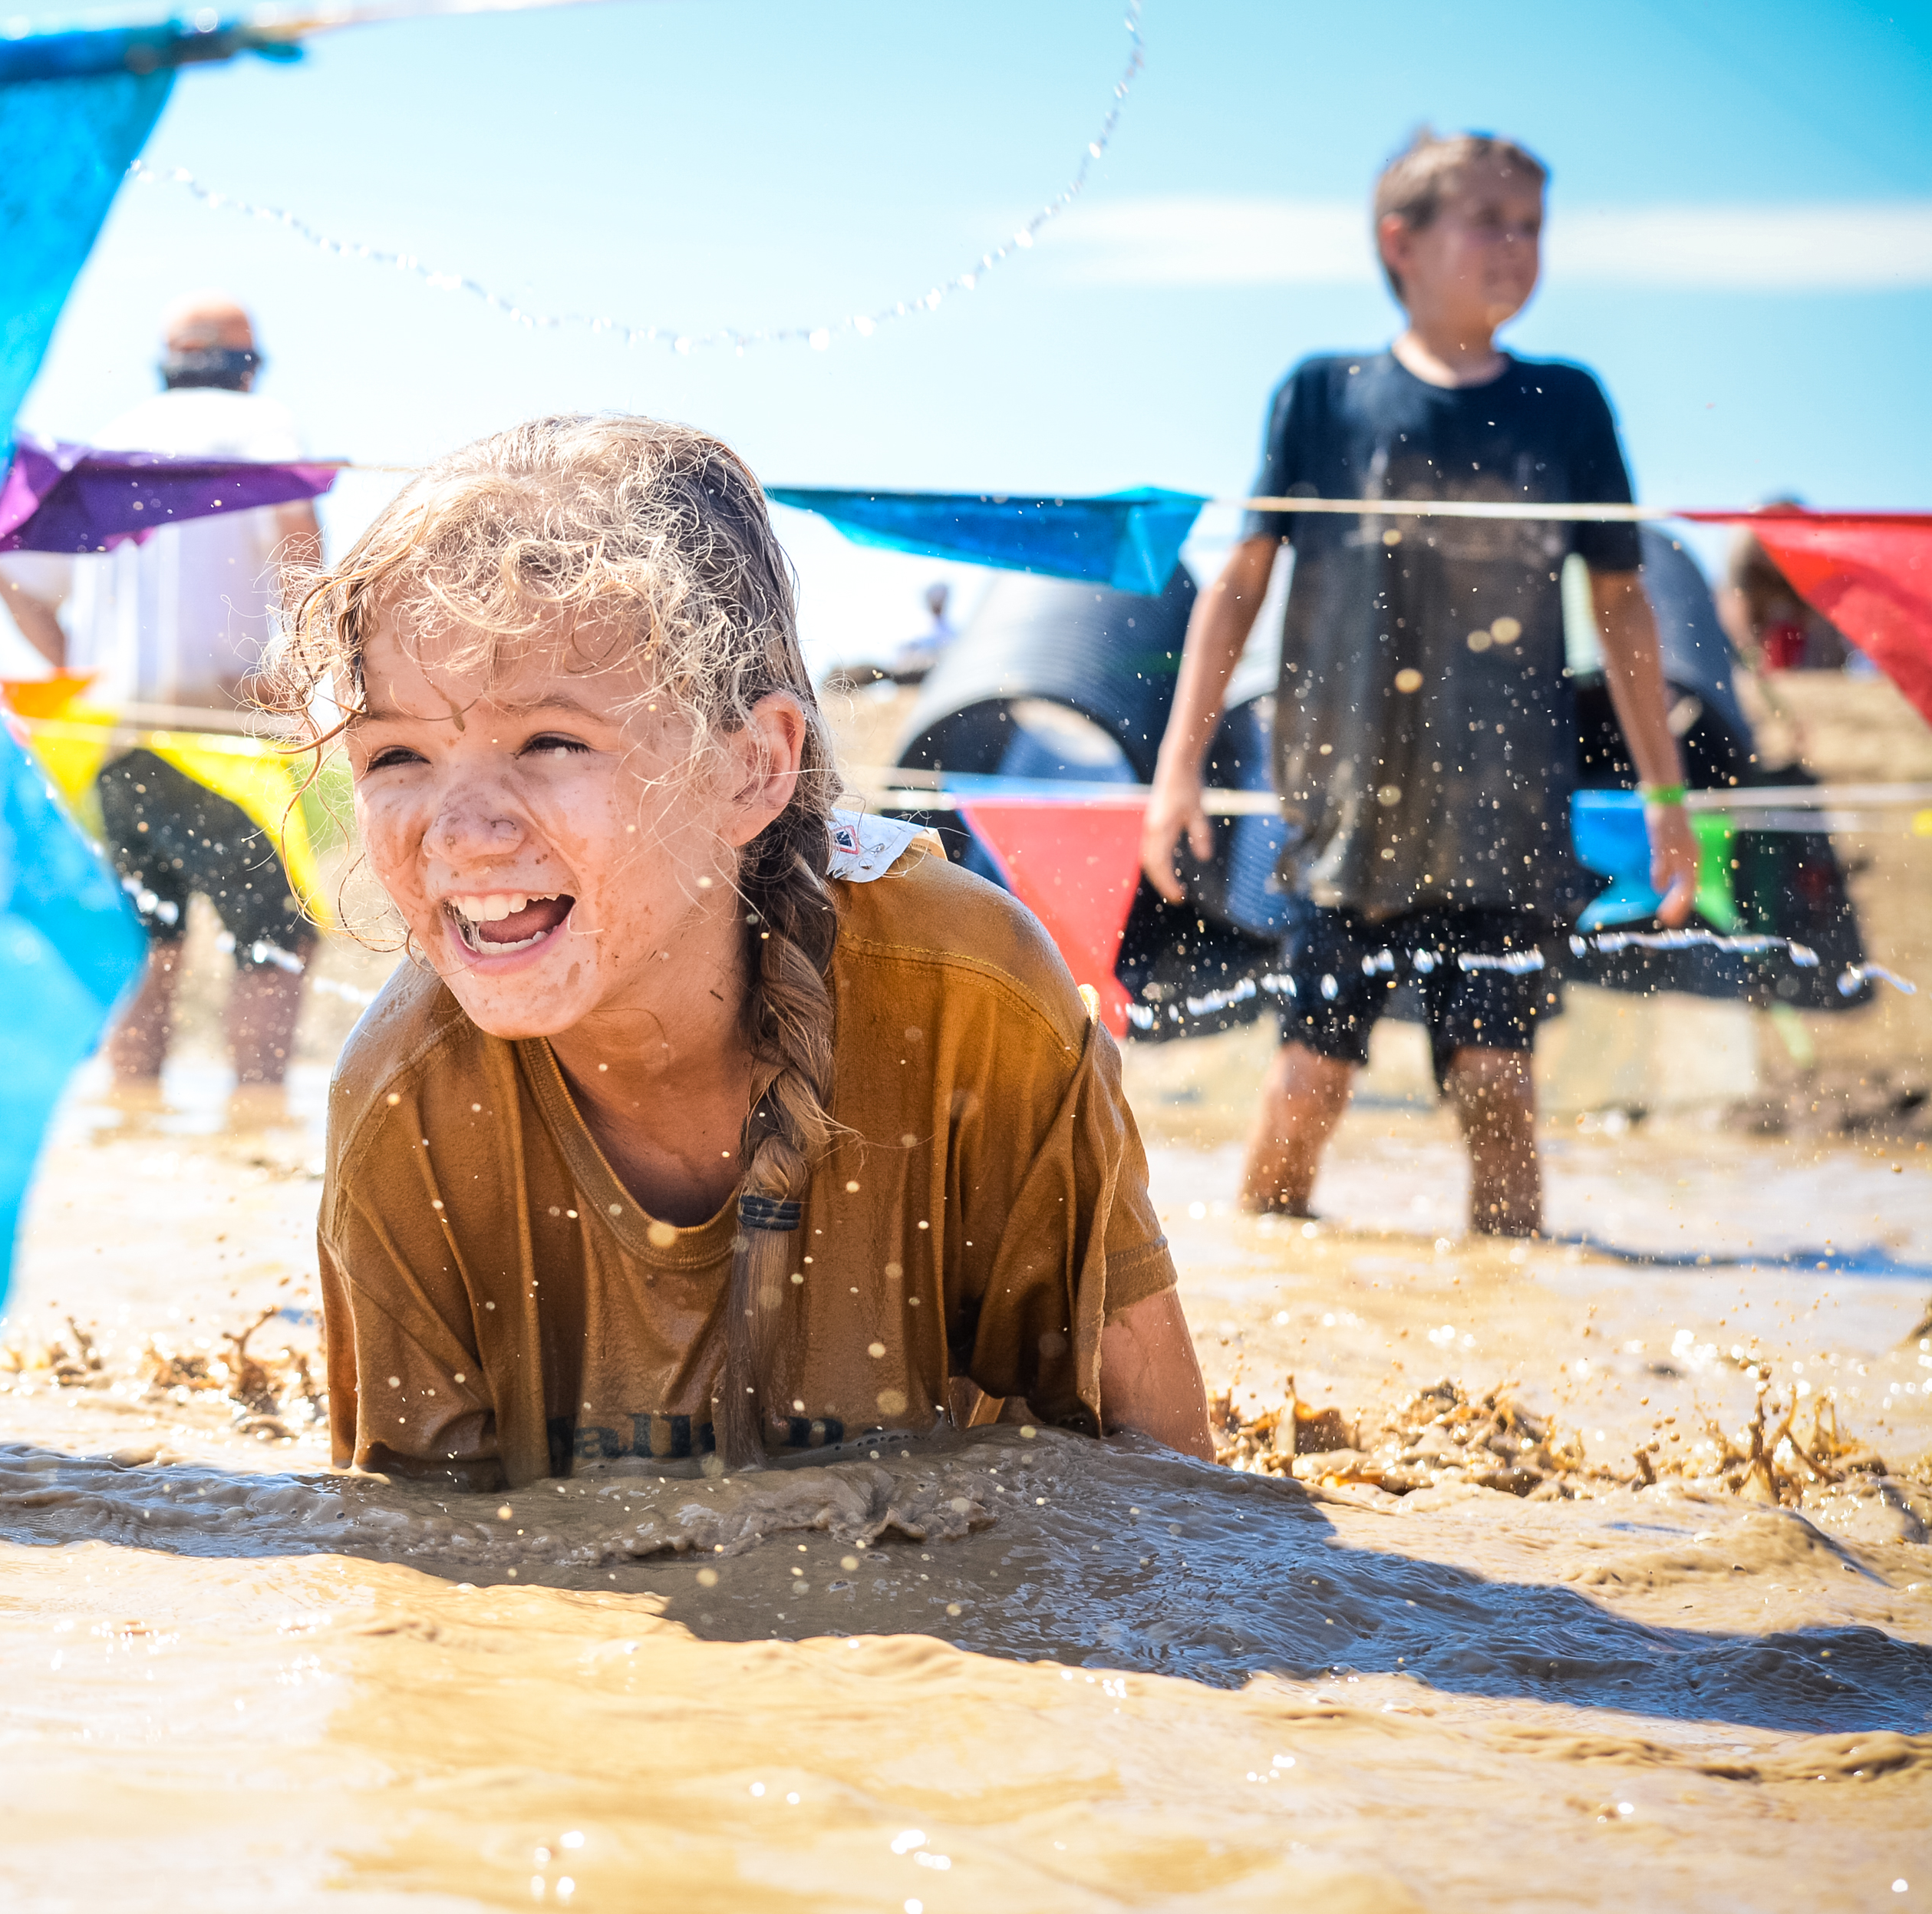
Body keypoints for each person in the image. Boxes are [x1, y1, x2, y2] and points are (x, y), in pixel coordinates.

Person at [263, 415, 1214, 1490]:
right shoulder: (408, 1102)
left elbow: (1169, 1506)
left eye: (552, 741)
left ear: (755, 768)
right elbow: (427, 1585)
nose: (461, 830)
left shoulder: (972, 1000)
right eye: (398, 753)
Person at [1141, 130, 1698, 1238]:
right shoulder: (1322, 398)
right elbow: (1240, 583)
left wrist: (1669, 800)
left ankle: (1517, 1310)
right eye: (1489, 221)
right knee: (1307, 1085)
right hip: (1350, 818)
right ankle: (1267, 1290)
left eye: (1533, 226)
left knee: (1498, 1092)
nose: (1517, 247)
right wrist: (1177, 765)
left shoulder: (1568, 406)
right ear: (1402, 240)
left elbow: (1626, 610)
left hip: (1507, 820)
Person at [0, 298, 325, 1121]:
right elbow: (306, 568)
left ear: (165, 366)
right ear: (249, 367)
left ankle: (130, 1115)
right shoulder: (263, 433)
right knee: (276, 942)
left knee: (154, 944)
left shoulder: (111, 444)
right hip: (222, 740)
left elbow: (11, 575)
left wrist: (79, 667)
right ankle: (256, 1127)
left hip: (113, 742)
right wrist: (299, 670)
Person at [1719, 500, 1850, 675]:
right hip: (1755, 599)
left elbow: (1820, 611)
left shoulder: (1812, 555)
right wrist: (1753, 656)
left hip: (1802, 596)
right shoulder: (1744, 549)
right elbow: (1738, 609)